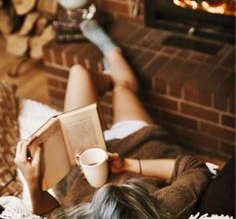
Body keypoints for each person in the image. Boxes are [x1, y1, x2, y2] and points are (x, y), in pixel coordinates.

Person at [1, 20, 213, 219]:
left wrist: (33, 184)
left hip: (83, 157)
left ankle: (110, 75)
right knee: (123, 88)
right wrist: (128, 165)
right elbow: (196, 168)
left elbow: (51, 212)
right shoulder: (166, 207)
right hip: (139, 143)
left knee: (78, 73)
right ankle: (113, 58)